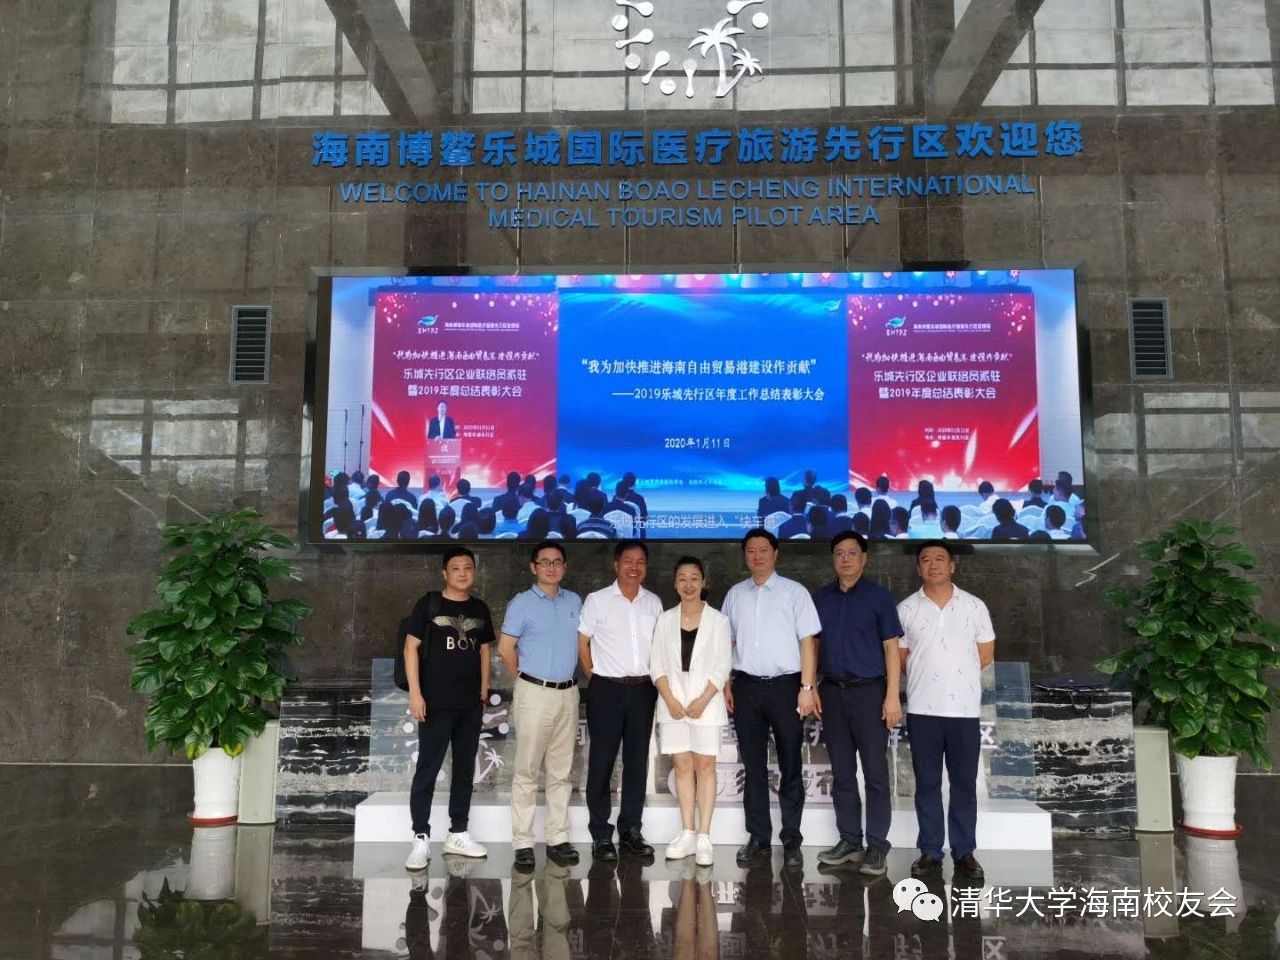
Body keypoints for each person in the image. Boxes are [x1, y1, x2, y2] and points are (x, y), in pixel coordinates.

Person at [722, 529, 822, 867]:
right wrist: (726, 682)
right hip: (746, 687)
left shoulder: (795, 592)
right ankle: (758, 837)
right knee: (753, 766)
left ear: (776, 553)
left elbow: (808, 642)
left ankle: (791, 839)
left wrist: (806, 688)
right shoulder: (735, 595)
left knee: (791, 763)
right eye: (751, 551)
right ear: (745, 556)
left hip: (786, 688)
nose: (757, 556)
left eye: (763, 550)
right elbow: (727, 643)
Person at [897, 541, 996, 884]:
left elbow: (985, 655)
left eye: (940, 559)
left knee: (963, 784)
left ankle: (964, 852)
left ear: (952, 566)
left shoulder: (974, 606)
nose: (933, 564)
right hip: (922, 709)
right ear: (918, 568)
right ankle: (930, 851)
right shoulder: (906, 609)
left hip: (963, 710)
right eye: (926, 560)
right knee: (927, 784)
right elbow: (901, 658)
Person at [812, 531, 903, 877]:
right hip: (833, 693)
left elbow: (891, 649)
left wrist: (892, 695)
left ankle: (877, 845)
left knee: (875, 773)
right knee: (842, 772)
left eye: (852, 553)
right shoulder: (821, 598)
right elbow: (813, 646)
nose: (845, 559)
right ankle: (850, 840)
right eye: (839, 553)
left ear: (864, 558)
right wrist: (811, 685)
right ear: (832, 559)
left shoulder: (879, 597)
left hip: (870, 694)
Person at [403, 548, 493, 870]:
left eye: (468, 567)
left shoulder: (479, 608)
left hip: (469, 705)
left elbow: (484, 651)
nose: (463, 573)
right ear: (445, 573)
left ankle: (458, 833)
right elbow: (410, 648)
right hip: (435, 704)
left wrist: (483, 689)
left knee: (465, 771)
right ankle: (420, 837)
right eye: (456, 568)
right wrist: (416, 694)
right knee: (427, 771)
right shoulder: (429, 605)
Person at [499, 541, 583, 870]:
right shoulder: (521, 603)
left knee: (561, 771)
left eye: (557, 562)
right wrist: (522, 676)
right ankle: (523, 842)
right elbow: (506, 648)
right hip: (534, 692)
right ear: (533, 567)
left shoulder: (574, 601)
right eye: (544, 562)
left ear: (565, 567)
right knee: (527, 770)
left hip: (568, 692)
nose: (551, 567)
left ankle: (557, 839)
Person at [577, 541, 663, 861]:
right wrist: (595, 676)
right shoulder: (597, 600)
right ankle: (601, 833)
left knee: (637, 762)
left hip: (643, 689)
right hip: (607, 689)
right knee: (602, 760)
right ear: (616, 564)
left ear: (646, 567)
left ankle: (630, 830)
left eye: (640, 562)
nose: (634, 567)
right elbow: (582, 642)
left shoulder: (653, 603)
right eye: (628, 561)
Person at [651, 556, 731, 866]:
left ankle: (704, 836)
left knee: (705, 766)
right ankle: (687, 832)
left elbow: (722, 666)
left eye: (694, 577)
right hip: (672, 703)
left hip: (706, 703)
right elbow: (656, 664)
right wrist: (670, 699)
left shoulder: (718, 621)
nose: (688, 584)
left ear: (703, 582)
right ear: (675, 584)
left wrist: (703, 699)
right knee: (682, 766)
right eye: (682, 578)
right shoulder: (665, 619)